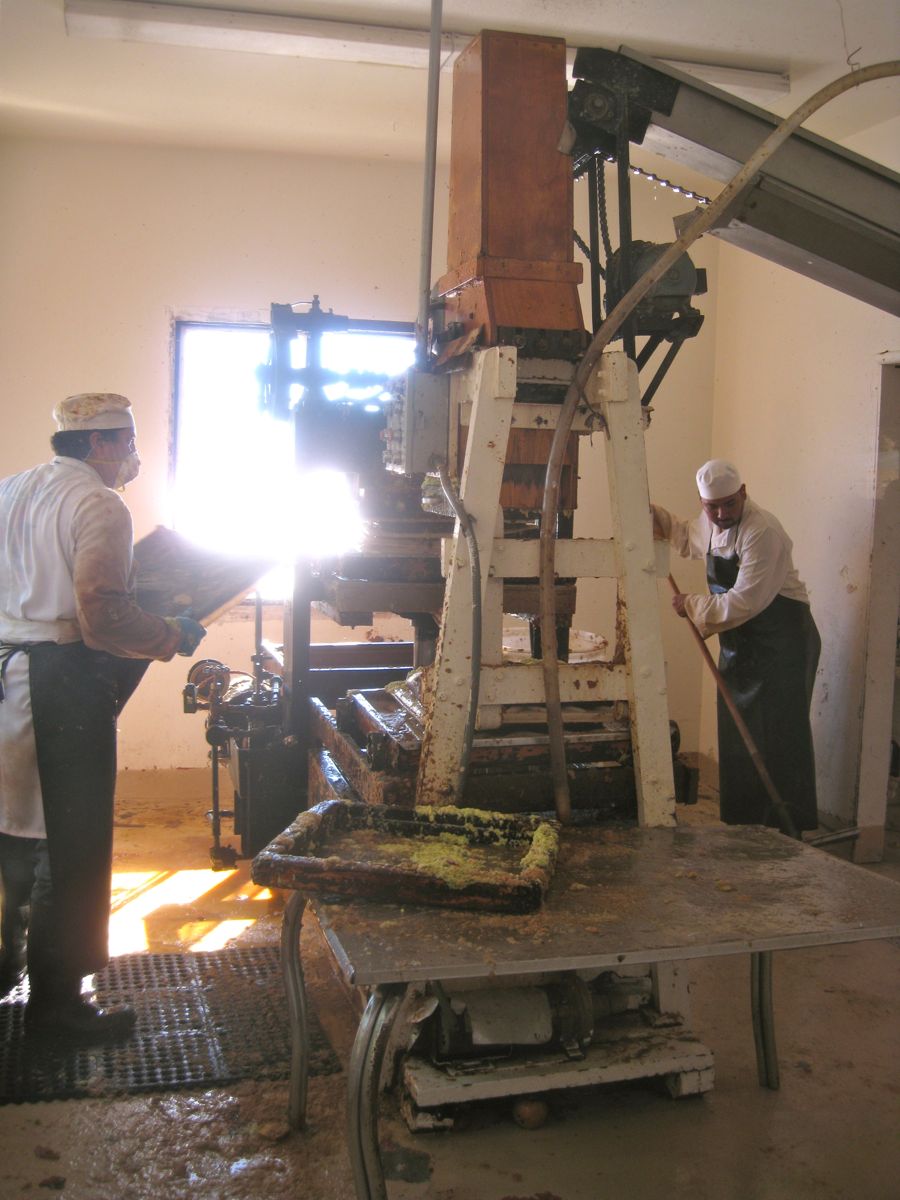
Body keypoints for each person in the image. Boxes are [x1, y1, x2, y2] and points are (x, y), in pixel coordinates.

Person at [0, 393, 207, 1041]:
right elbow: (103, 615)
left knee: (11, 835)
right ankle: (57, 1008)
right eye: (126, 442)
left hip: (7, 670)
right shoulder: (99, 503)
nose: (132, 456)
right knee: (73, 845)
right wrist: (170, 632)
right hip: (60, 683)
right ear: (100, 445)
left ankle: (6, 973)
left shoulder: (11, 489)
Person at [652, 459, 820, 833]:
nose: (722, 514)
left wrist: (692, 604)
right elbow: (688, 537)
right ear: (702, 503)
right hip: (742, 643)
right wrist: (658, 520)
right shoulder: (712, 522)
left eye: (730, 504)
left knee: (779, 731)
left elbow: (744, 602)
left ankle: (787, 823)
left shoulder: (763, 532)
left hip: (782, 642)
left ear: (743, 493)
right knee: (738, 729)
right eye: (713, 507)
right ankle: (747, 822)